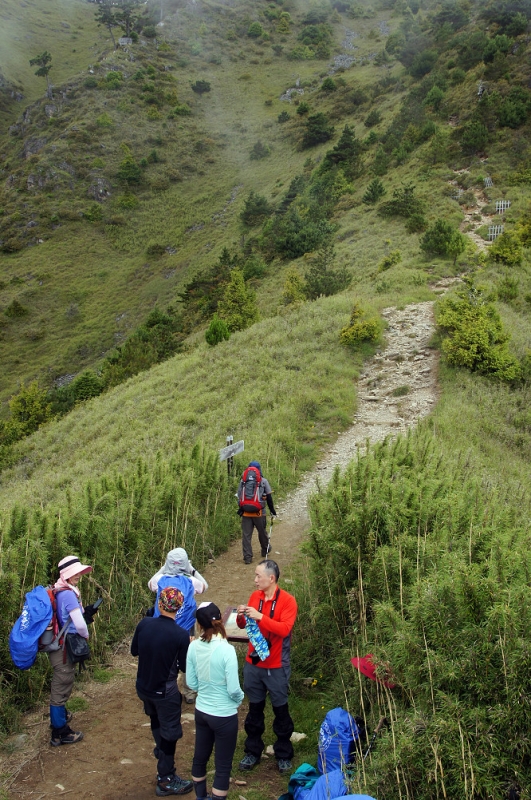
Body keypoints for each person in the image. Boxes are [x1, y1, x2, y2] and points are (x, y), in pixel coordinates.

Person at [236, 559, 297, 774]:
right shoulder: (255, 597)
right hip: (253, 663)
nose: (254, 580)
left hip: (276, 665)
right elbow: (245, 625)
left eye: (258, 576)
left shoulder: (288, 601)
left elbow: (284, 629)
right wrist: (243, 617)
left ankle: (283, 753)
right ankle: (252, 750)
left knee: (281, 710)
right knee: (254, 709)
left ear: (271, 578)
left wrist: (261, 616)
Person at [131, 587, 194, 798]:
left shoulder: (145, 624)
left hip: (143, 687)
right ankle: (165, 778)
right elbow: (184, 667)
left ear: (159, 604)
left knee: (155, 720)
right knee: (171, 733)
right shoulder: (180, 634)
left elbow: (134, 651)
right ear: (179, 608)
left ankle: (161, 751)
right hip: (165, 692)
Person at [186, 602, 244, 800]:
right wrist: (239, 700)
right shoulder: (226, 650)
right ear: (220, 619)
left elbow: (191, 682)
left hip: (202, 711)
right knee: (222, 766)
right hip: (224, 714)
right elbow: (234, 689)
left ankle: (201, 797)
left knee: (199, 758)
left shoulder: (193, 646)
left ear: (199, 625)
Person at [148, 548, 209, 704]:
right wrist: (192, 569)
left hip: (162, 627)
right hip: (186, 627)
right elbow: (204, 586)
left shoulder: (160, 580)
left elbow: (150, 583)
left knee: (165, 656)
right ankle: (190, 692)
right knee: (188, 657)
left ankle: (167, 688)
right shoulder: (190, 581)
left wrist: (164, 567)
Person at [49, 555, 97, 747]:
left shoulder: (61, 591)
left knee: (62, 684)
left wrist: (86, 613)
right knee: (61, 686)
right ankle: (60, 732)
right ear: (66, 575)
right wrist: (85, 635)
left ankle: (61, 717)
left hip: (59, 645)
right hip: (63, 648)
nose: (78, 575)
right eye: (75, 573)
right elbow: (78, 623)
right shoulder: (68, 594)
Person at [238, 461, 277, 565]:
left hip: (246, 512)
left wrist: (241, 508)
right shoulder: (263, 481)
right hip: (260, 512)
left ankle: (247, 557)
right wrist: (273, 511)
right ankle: (265, 549)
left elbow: (239, 495)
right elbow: (269, 497)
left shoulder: (243, 481)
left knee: (246, 535)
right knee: (262, 532)